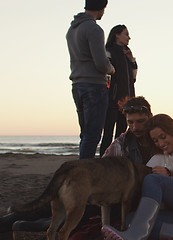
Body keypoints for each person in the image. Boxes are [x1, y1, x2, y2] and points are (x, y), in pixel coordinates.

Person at [0, 97, 156, 234]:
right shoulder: (122, 143)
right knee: (50, 203)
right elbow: (104, 165)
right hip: (110, 193)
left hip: (141, 197)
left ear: (150, 117)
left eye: (140, 121)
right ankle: (8, 223)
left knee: (80, 214)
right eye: (130, 122)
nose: (135, 127)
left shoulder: (161, 137)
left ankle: (24, 226)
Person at [66, 0, 115, 159]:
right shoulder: (94, 29)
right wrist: (112, 69)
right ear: (101, 8)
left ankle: (82, 168)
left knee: (85, 133)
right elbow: (101, 64)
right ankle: (85, 171)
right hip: (94, 86)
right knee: (93, 134)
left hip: (77, 84)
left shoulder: (72, 30)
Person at [100, 25, 139, 156]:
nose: (129, 37)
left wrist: (131, 59)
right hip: (112, 99)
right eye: (126, 34)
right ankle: (104, 159)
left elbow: (134, 77)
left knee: (122, 134)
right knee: (108, 133)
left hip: (127, 101)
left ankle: (120, 159)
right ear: (117, 35)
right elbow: (106, 72)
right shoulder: (109, 50)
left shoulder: (127, 52)